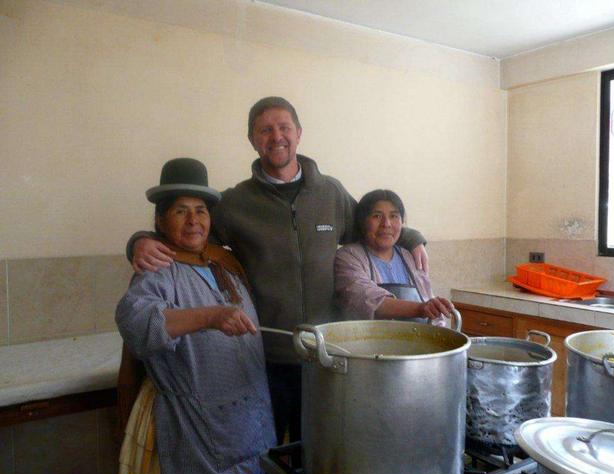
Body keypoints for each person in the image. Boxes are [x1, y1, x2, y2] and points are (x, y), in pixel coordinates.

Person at [126, 97, 428, 446]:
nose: (276, 136)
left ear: (299, 134)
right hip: (265, 356)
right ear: (253, 140)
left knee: (321, 448)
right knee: (270, 450)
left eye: (284, 127)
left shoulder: (330, 192)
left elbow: (374, 225)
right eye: (265, 130)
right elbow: (187, 231)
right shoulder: (235, 203)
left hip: (325, 352)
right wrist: (139, 242)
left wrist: (413, 237)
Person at [116, 158, 275, 474]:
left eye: (200, 210)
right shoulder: (158, 272)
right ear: (161, 221)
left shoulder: (225, 262)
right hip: (200, 432)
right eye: (180, 211)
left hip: (254, 423)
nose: (193, 221)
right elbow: (136, 322)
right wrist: (211, 316)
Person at [335, 189, 454, 324]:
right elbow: (366, 299)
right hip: (369, 342)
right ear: (363, 222)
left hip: (418, 342)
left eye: (394, 216)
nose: (386, 224)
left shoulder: (410, 257)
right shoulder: (348, 257)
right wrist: (421, 308)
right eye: (377, 216)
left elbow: (428, 302)